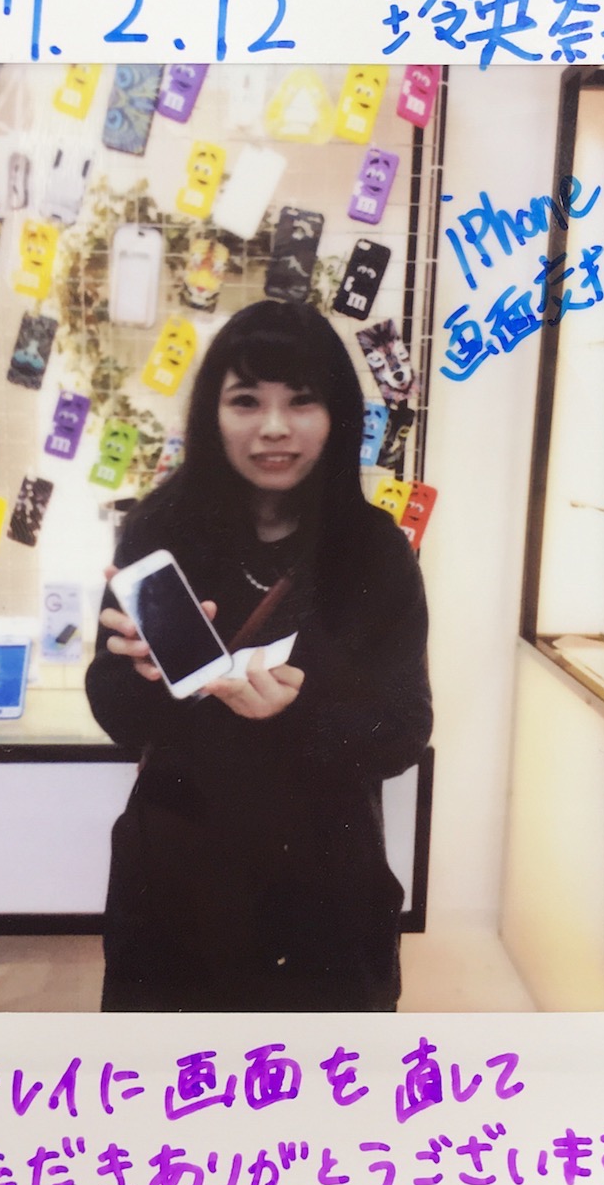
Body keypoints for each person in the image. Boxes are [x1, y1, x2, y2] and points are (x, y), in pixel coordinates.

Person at [86, 300, 432, 1012]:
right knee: (168, 1079)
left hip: (325, 890)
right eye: (246, 400)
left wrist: (297, 711)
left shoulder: (375, 552)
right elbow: (117, 712)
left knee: (321, 1082)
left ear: (337, 414)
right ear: (212, 413)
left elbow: (404, 729)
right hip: (175, 884)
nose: (274, 426)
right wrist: (144, 676)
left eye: (301, 400)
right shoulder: (158, 530)